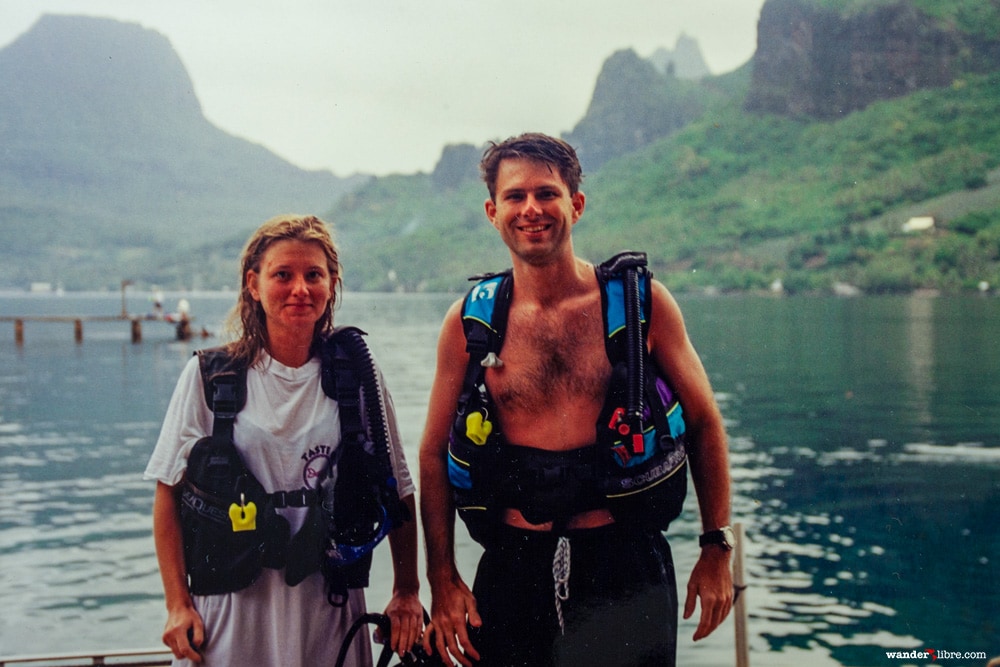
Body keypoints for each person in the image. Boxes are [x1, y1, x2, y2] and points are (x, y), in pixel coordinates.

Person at [419, 133, 733, 666]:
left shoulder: (640, 306)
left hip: (626, 565)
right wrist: (442, 579)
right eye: (515, 197)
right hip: (513, 564)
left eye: (547, 193)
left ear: (576, 205)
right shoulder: (470, 325)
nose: (532, 209)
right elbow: (431, 454)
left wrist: (716, 547)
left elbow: (704, 424)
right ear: (493, 212)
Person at [145, 215, 423, 666]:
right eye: (283, 275)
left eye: (314, 275)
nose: (300, 289)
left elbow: (399, 490)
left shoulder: (358, 379)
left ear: (332, 284)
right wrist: (177, 605)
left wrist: (406, 590)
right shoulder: (210, 378)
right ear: (253, 284)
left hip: (329, 603)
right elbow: (167, 492)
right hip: (231, 608)